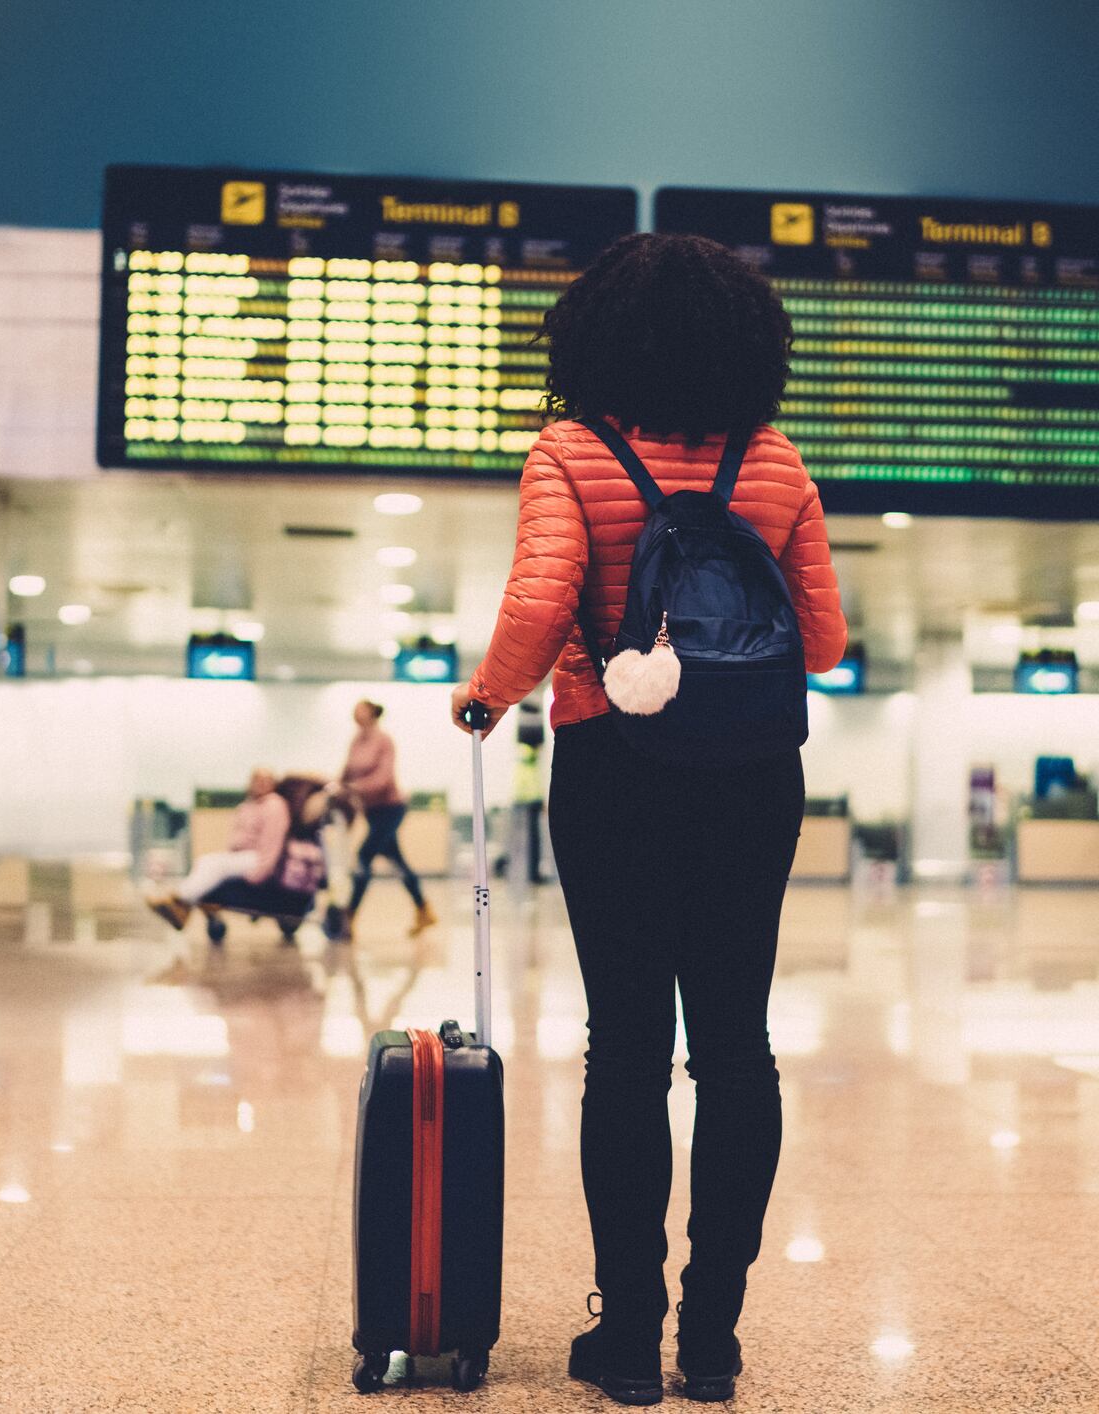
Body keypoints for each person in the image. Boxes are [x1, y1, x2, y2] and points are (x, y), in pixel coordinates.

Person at [451, 232, 845, 1406]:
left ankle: (626, 1337)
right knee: (735, 1044)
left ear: (597, 337)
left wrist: (485, 700)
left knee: (624, 1044)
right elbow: (823, 641)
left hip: (613, 760)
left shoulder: (571, 451)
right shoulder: (772, 461)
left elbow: (540, 603)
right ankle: (711, 1337)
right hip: (753, 771)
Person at [339, 700, 437, 937]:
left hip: (391, 809)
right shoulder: (356, 741)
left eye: (361, 708)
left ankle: (349, 916)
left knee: (364, 856)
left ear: (372, 713)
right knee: (397, 861)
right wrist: (337, 787)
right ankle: (424, 909)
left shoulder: (383, 741)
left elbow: (383, 778)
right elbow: (347, 771)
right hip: (371, 811)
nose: (356, 712)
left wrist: (354, 788)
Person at [146, 768, 288, 931]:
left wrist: (260, 874)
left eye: (266, 780)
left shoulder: (274, 805)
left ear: (273, 784)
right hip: (243, 856)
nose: (260, 784)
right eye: (257, 779)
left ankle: (179, 900)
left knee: (217, 865)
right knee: (205, 861)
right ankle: (182, 907)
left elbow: (273, 843)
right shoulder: (247, 806)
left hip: (258, 858)